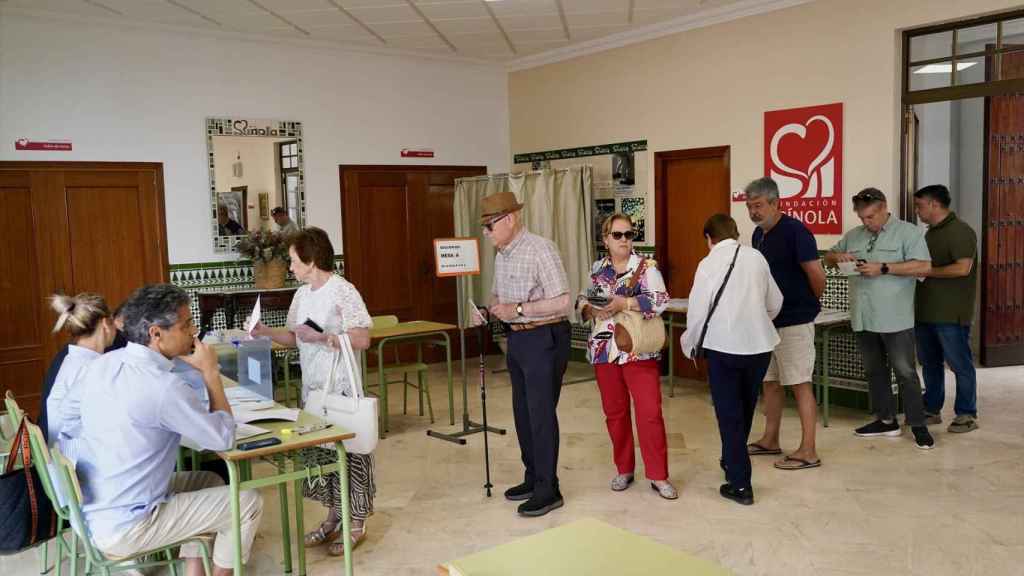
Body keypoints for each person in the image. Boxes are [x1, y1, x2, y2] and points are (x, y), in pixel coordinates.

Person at [76, 284, 263, 576]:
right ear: (155, 334)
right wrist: (211, 374)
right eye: (187, 324)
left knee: (210, 479)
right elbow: (224, 439)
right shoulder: (164, 387)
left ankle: (194, 571)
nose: (193, 331)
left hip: (100, 509)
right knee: (248, 503)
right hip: (131, 523)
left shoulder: (105, 363)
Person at [251, 227, 374, 556]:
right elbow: (295, 337)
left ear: (311, 259)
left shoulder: (343, 291)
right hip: (314, 389)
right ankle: (334, 516)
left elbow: (363, 338)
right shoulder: (302, 295)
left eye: (293, 260)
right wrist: (264, 331)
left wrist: (324, 338)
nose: (290, 267)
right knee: (324, 457)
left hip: (342, 388)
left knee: (352, 456)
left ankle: (357, 523)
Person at [478, 191, 571, 517]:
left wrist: (516, 308)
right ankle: (533, 477)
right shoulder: (502, 253)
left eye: (490, 225)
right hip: (517, 340)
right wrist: (492, 307)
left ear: (510, 219)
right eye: (485, 227)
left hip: (544, 337)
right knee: (523, 412)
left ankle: (550, 488)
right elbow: (499, 294)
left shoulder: (540, 249)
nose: (486, 233)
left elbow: (562, 301)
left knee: (541, 414)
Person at [681, 214, 782, 506]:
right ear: (736, 234)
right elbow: (775, 303)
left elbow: (698, 312)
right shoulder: (757, 258)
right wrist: (754, 320)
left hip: (724, 348)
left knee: (728, 414)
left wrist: (690, 343)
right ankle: (730, 458)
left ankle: (739, 484)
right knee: (746, 406)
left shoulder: (708, 263)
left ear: (708, 238)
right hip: (759, 347)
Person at [823, 188, 934, 449]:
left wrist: (884, 268)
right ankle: (886, 421)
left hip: (895, 318)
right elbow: (828, 258)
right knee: (874, 371)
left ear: (884, 208)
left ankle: (918, 425)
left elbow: (924, 266)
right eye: (862, 218)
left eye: (871, 216)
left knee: (906, 372)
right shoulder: (854, 235)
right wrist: (837, 257)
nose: (866, 222)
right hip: (863, 316)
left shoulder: (909, 232)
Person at [578, 213, 676, 499]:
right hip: (604, 350)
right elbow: (583, 298)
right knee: (615, 414)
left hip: (638, 351)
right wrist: (590, 309)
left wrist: (626, 302)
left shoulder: (646, 268)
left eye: (629, 234)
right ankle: (624, 469)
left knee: (649, 414)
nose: (624, 240)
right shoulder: (598, 269)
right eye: (618, 235)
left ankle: (658, 476)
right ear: (605, 239)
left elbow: (660, 301)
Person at [744, 178, 825, 471]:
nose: (753, 212)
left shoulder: (795, 231)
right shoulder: (757, 235)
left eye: (758, 205)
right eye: (749, 206)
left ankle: (808, 450)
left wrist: (806, 305)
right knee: (771, 383)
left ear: (775, 203)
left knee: (800, 383)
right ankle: (770, 439)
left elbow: (817, 276)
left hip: (795, 321)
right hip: (768, 323)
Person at [913, 184, 979, 433]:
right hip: (926, 311)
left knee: (960, 364)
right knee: (929, 363)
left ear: (933, 204)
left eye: (920, 206)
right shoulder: (931, 233)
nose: (917, 211)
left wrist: (928, 271)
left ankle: (966, 414)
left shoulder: (961, 231)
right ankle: (931, 409)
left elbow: (963, 268)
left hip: (951, 313)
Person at [39, 301, 127, 444]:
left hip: (58, 455)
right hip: (74, 460)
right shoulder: (93, 366)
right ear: (106, 323)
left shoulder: (71, 359)